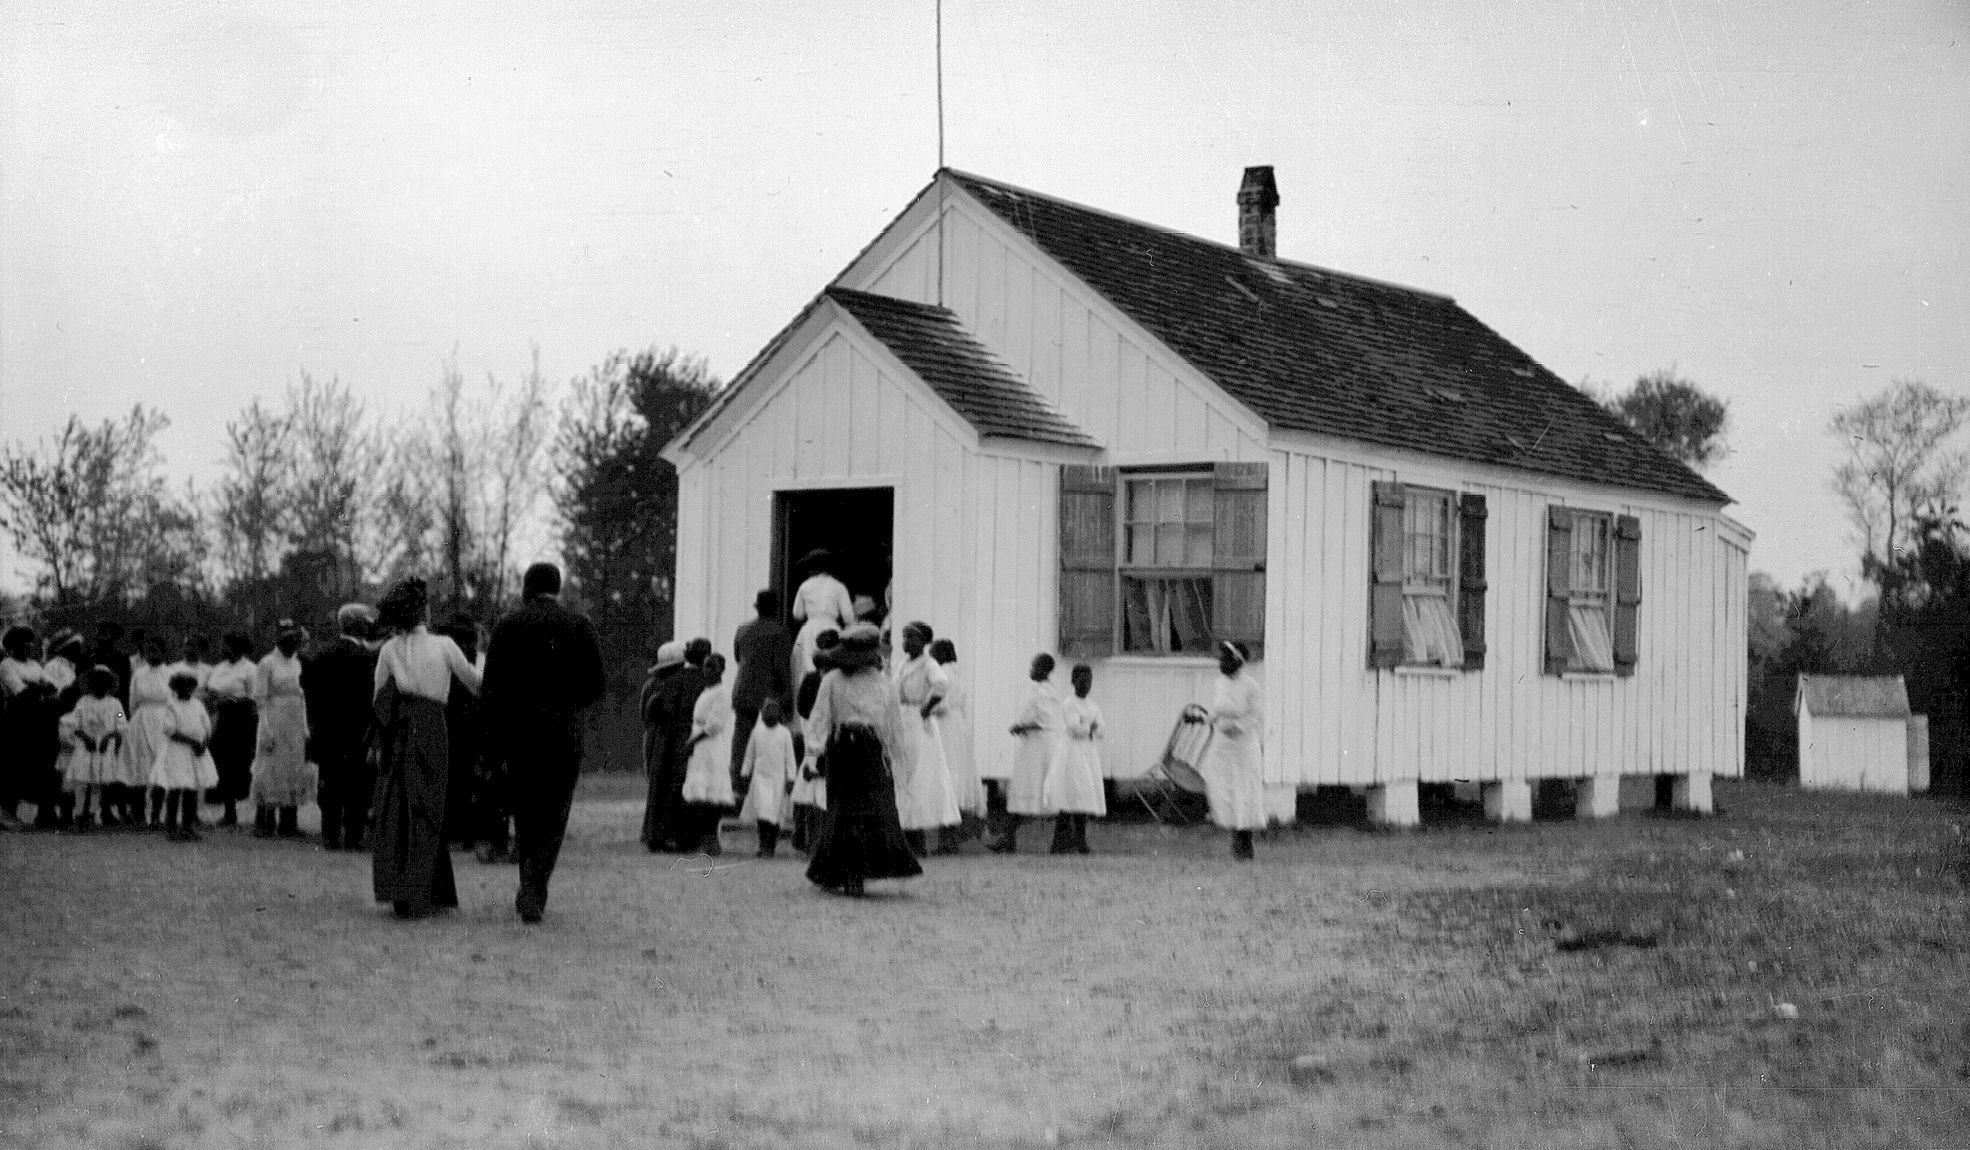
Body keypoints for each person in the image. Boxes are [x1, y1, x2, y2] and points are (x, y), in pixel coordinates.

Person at [479, 562, 607, 924]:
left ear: (527, 588)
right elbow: (597, 684)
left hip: (520, 734)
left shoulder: (508, 626)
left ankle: (529, 881)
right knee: (555, 810)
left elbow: (490, 689)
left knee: (526, 810)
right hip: (564, 733)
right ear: (557, 588)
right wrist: (569, 705)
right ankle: (536, 886)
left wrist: (493, 739)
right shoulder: (579, 625)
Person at [371, 577, 482, 919]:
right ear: (423, 611)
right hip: (432, 727)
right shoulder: (444, 645)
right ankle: (425, 890)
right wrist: (484, 658)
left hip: (400, 729)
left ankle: (403, 890)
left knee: (399, 806)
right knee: (428, 807)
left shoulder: (389, 649)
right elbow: (476, 684)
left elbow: (378, 697)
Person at [804, 624, 922, 897]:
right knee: (843, 812)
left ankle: (861, 870)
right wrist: (815, 752)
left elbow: (893, 725)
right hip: (842, 750)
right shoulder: (832, 680)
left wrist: (896, 757)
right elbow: (820, 717)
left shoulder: (883, 684)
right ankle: (845, 873)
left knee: (871, 811)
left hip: (870, 752)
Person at [305, 604, 379, 851]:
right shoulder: (366, 658)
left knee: (330, 783)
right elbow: (371, 697)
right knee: (357, 785)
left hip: (328, 731)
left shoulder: (323, 655)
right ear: (357, 625)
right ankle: (353, 836)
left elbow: (312, 696)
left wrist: (316, 727)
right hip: (357, 732)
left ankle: (330, 834)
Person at [893, 622, 960, 855]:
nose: (906, 642)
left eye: (911, 638)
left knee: (918, 777)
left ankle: (917, 838)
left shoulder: (929, 664)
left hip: (918, 724)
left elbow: (942, 684)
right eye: (904, 637)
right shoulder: (903, 664)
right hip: (902, 721)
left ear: (923, 642)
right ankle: (906, 834)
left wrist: (926, 707)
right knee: (902, 775)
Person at [641, 637, 711, 854]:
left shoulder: (665, 683)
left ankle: (656, 835)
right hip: (691, 738)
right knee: (684, 788)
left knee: (661, 787)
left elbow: (652, 710)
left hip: (665, 737)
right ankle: (684, 838)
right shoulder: (705, 682)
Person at [1201, 641, 1266, 861]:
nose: (1222, 663)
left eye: (1226, 659)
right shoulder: (1219, 683)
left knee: (1243, 790)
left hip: (1243, 745)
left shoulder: (1251, 686)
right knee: (1223, 787)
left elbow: (1255, 715)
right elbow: (1218, 710)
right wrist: (1207, 719)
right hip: (1222, 745)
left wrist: (1238, 728)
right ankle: (1234, 835)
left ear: (1238, 660)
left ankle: (1245, 841)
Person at [249, 620, 313, 839]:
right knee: (269, 767)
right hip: (273, 717)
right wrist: (266, 728)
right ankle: (264, 821)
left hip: (294, 720)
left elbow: (302, 695)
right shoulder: (266, 663)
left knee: (293, 766)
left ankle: (288, 822)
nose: (291, 644)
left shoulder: (298, 663)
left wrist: (304, 726)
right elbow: (260, 698)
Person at [992, 653, 1062, 854]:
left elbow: (1043, 721)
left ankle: (1008, 839)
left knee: (1027, 786)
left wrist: (1020, 726)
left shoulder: (1042, 692)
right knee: (1027, 788)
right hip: (1037, 743)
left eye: (1035, 667)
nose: (1031, 671)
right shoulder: (1045, 690)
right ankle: (1008, 838)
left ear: (1045, 670)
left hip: (1038, 746)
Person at [729, 589, 793, 794]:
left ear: (757, 607)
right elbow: (781, 667)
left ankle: (738, 786)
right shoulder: (779, 632)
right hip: (768, 692)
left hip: (743, 689)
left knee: (741, 740)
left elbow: (738, 657)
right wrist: (787, 696)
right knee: (773, 739)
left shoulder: (742, 630)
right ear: (775, 608)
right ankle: (773, 787)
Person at [1043, 663, 1106, 855]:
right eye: (1082, 681)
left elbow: (1101, 729)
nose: (1086, 685)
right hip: (1071, 753)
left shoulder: (1093, 705)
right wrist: (1089, 727)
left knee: (1084, 793)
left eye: (1089, 681)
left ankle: (1080, 840)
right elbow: (1074, 728)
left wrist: (1088, 727)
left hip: (1087, 753)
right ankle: (1060, 841)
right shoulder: (1069, 703)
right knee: (1070, 793)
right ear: (1073, 681)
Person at [678, 652, 735, 855]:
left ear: (722, 669)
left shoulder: (723, 693)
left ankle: (711, 839)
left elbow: (715, 724)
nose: (708, 670)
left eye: (712, 666)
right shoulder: (705, 692)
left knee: (711, 793)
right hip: (699, 747)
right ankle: (699, 838)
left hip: (710, 745)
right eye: (706, 666)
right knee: (699, 793)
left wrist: (692, 741)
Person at [788, 628, 839, 852]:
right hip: (814, 731)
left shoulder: (838, 679)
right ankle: (803, 837)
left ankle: (822, 839)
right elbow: (802, 707)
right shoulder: (811, 678)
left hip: (831, 731)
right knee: (807, 781)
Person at [928, 638, 985, 841]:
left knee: (947, 775)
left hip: (945, 726)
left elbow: (941, 705)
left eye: (934, 654)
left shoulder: (943, 674)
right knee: (957, 775)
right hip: (958, 726)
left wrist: (924, 709)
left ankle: (947, 838)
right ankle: (954, 835)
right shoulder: (958, 673)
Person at [152, 671, 217, 842]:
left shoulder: (198, 704)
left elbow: (207, 726)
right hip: (177, 751)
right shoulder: (171, 705)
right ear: (175, 689)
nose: (187, 690)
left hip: (196, 752)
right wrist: (192, 741)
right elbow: (170, 731)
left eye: (190, 687)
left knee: (191, 789)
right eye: (182, 687)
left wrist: (204, 744)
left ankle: (187, 827)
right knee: (175, 788)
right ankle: (171, 827)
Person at [59, 666, 127, 831]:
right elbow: (74, 722)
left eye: (103, 685)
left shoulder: (115, 704)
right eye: (96, 685)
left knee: (98, 783)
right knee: (82, 782)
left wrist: (109, 737)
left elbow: (121, 722)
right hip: (85, 747)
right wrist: (84, 737)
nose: (100, 689)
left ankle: (91, 813)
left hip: (104, 749)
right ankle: (79, 814)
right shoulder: (83, 702)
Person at [1, 627, 53, 830]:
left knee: (36, 764)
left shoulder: (35, 665)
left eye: (30, 643)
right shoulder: (7, 664)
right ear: (14, 646)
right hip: (16, 718)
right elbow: (18, 691)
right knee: (14, 764)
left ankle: (43, 814)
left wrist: (36, 687)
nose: (28, 647)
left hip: (36, 718)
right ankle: (7, 812)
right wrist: (38, 687)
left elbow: (50, 687)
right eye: (24, 643)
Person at [637, 640, 686, 852]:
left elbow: (643, 715)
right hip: (665, 738)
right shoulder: (674, 685)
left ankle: (652, 835)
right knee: (667, 787)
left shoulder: (650, 685)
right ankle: (667, 835)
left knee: (655, 787)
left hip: (651, 736)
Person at [205, 633, 258, 828]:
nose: (224, 649)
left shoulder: (250, 668)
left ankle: (237, 808)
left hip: (241, 720)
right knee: (222, 764)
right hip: (221, 719)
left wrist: (232, 701)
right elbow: (211, 690)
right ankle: (228, 811)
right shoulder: (218, 668)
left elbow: (253, 697)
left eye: (227, 645)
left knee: (238, 764)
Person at [441, 614, 484, 848]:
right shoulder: (476, 659)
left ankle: (450, 830)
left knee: (449, 780)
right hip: (472, 727)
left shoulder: (443, 657)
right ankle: (469, 831)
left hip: (447, 724)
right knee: (469, 780)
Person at [124, 636, 175, 830]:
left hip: (163, 721)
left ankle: (156, 815)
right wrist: (128, 720)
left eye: (155, 649)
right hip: (141, 720)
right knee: (140, 766)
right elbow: (131, 701)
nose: (151, 654)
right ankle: (137, 814)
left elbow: (174, 700)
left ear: (163, 652)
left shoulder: (170, 673)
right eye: (148, 650)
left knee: (160, 767)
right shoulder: (138, 673)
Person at [737, 698, 798, 857]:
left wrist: (791, 778)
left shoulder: (784, 733)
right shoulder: (757, 732)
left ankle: (770, 845)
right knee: (762, 812)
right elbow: (749, 755)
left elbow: (790, 759)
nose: (769, 714)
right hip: (760, 779)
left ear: (779, 714)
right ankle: (763, 843)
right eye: (766, 711)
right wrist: (745, 773)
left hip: (778, 780)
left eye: (773, 711)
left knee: (774, 814)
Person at [88, 622, 134, 823]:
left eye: (108, 634)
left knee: (114, 769)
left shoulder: (122, 660)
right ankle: (89, 812)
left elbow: (123, 694)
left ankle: (115, 809)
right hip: (92, 725)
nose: (103, 637)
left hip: (113, 721)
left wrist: (120, 723)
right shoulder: (89, 657)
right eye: (101, 633)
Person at [790, 551, 856, 683]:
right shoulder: (838, 586)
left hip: (809, 633)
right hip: (832, 632)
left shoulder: (805, 586)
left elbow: (797, 614)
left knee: (807, 671)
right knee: (831, 672)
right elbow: (849, 617)